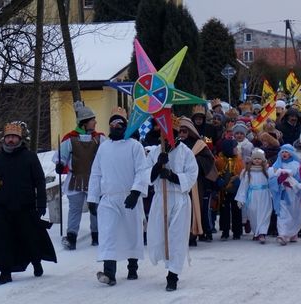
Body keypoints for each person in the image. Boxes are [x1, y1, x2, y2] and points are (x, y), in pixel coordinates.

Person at [0, 122, 56, 285]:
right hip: (4, 210)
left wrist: (41, 203)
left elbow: (39, 181)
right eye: (8, 137)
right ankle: (5, 273)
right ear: (4, 139)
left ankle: (36, 262)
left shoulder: (29, 157)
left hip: (26, 208)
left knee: (30, 239)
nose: (11, 140)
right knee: (4, 242)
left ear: (20, 139)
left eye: (14, 137)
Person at [87, 108, 148, 286]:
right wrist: (92, 197)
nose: (116, 127)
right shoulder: (104, 148)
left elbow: (141, 171)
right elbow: (96, 173)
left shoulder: (135, 146)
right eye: (112, 124)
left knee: (131, 232)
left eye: (119, 124)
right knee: (108, 233)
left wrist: (136, 192)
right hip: (109, 199)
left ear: (125, 126)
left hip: (129, 197)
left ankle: (132, 267)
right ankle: (109, 273)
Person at [146, 130, 199, 291]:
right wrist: (157, 166)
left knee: (177, 237)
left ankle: (173, 274)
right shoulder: (155, 152)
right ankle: (166, 260)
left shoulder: (186, 152)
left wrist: (172, 176)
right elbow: (146, 175)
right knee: (158, 235)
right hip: (160, 198)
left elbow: (191, 175)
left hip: (179, 199)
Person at [54, 103, 106, 250]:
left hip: (94, 179)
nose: (95, 122)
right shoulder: (70, 140)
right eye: (92, 120)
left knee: (95, 208)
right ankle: (71, 237)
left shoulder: (100, 139)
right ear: (84, 123)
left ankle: (97, 236)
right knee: (75, 209)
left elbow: (108, 156)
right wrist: (60, 164)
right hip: (75, 178)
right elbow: (61, 157)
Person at [176, 117, 218, 245]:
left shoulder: (199, 144)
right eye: (180, 131)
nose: (182, 134)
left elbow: (209, 160)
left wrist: (193, 160)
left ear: (190, 131)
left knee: (194, 207)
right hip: (177, 181)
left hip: (195, 182)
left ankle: (192, 234)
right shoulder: (174, 144)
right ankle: (180, 235)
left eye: (185, 131)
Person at [235, 148, 272, 244]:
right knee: (253, 214)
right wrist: (241, 199)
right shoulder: (248, 173)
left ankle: (262, 233)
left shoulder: (267, 172)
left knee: (264, 214)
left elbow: (272, 184)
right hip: (253, 196)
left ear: (263, 160)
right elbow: (244, 186)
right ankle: (256, 232)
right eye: (255, 159)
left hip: (264, 195)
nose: (257, 160)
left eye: (259, 159)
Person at [269, 144, 301, 246]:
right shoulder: (277, 164)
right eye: (283, 152)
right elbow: (272, 177)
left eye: (286, 152)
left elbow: (300, 178)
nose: (284, 154)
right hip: (282, 193)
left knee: (295, 212)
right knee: (283, 213)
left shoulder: (296, 164)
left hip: (294, 193)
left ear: (291, 153)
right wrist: (279, 181)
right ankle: (283, 234)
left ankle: (293, 232)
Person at [215, 139, 245, 240]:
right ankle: (225, 231)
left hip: (236, 190)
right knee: (224, 211)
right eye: (235, 147)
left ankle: (237, 231)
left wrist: (238, 179)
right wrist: (219, 180)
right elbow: (216, 172)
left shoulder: (239, 160)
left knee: (236, 210)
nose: (237, 149)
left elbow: (242, 173)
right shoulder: (219, 160)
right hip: (224, 190)